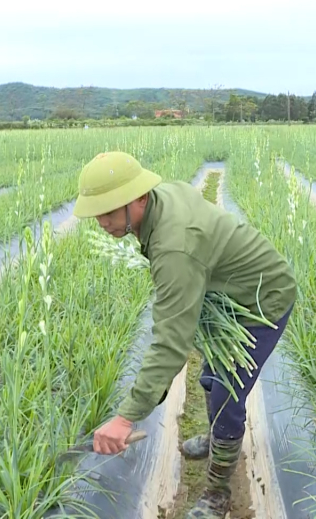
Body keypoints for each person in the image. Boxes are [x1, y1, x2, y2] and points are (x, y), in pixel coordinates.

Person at [72, 151, 298, 519]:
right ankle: (217, 439)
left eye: (110, 212)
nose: (102, 222)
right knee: (211, 377)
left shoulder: (175, 244)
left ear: (140, 198)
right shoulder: (163, 196)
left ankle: (217, 492)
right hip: (229, 297)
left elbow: (170, 343)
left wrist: (126, 417)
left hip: (262, 301)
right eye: (97, 212)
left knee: (227, 392)